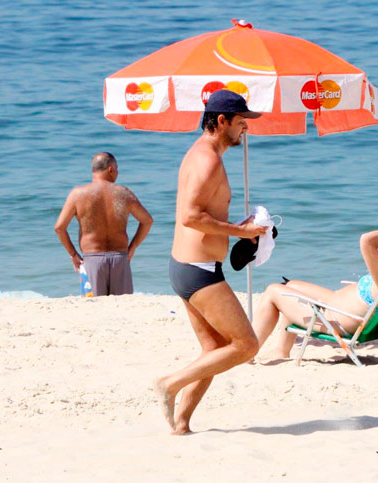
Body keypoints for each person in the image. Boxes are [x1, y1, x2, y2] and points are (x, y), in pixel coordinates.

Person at [153, 90, 268, 435]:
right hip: (197, 270)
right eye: (240, 122)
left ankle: (181, 424)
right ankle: (169, 383)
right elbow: (191, 216)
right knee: (246, 345)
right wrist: (238, 230)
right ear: (221, 122)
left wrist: (243, 226)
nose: (245, 128)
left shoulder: (202, 154)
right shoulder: (208, 160)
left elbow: (203, 211)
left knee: (214, 349)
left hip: (189, 267)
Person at [251, 216, 378, 361]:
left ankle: (248, 352)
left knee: (273, 291)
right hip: (335, 304)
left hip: (337, 319)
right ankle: (281, 351)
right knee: (291, 286)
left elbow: (366, 241)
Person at [54, 152, 153, 296]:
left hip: (92, 261)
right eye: (117, 169)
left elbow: (59, 228)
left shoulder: (78, 194)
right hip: (120, 259)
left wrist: (73, 254)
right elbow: (147, 221)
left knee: (93, 308)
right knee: (121, 307)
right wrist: (133, 247)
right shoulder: (124, 193)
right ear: (111, 169)